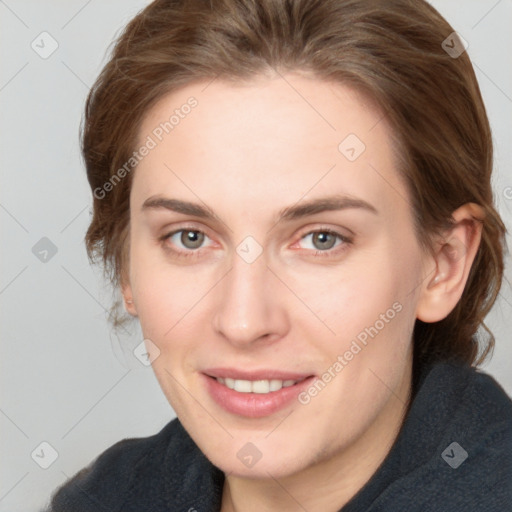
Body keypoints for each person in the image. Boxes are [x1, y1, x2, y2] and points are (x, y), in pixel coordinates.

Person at [45, 0, 512, 510]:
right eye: (190, 237)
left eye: (321, 239)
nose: (244, 322)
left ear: (442, 265)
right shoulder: (107, 499)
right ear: (126, 265)